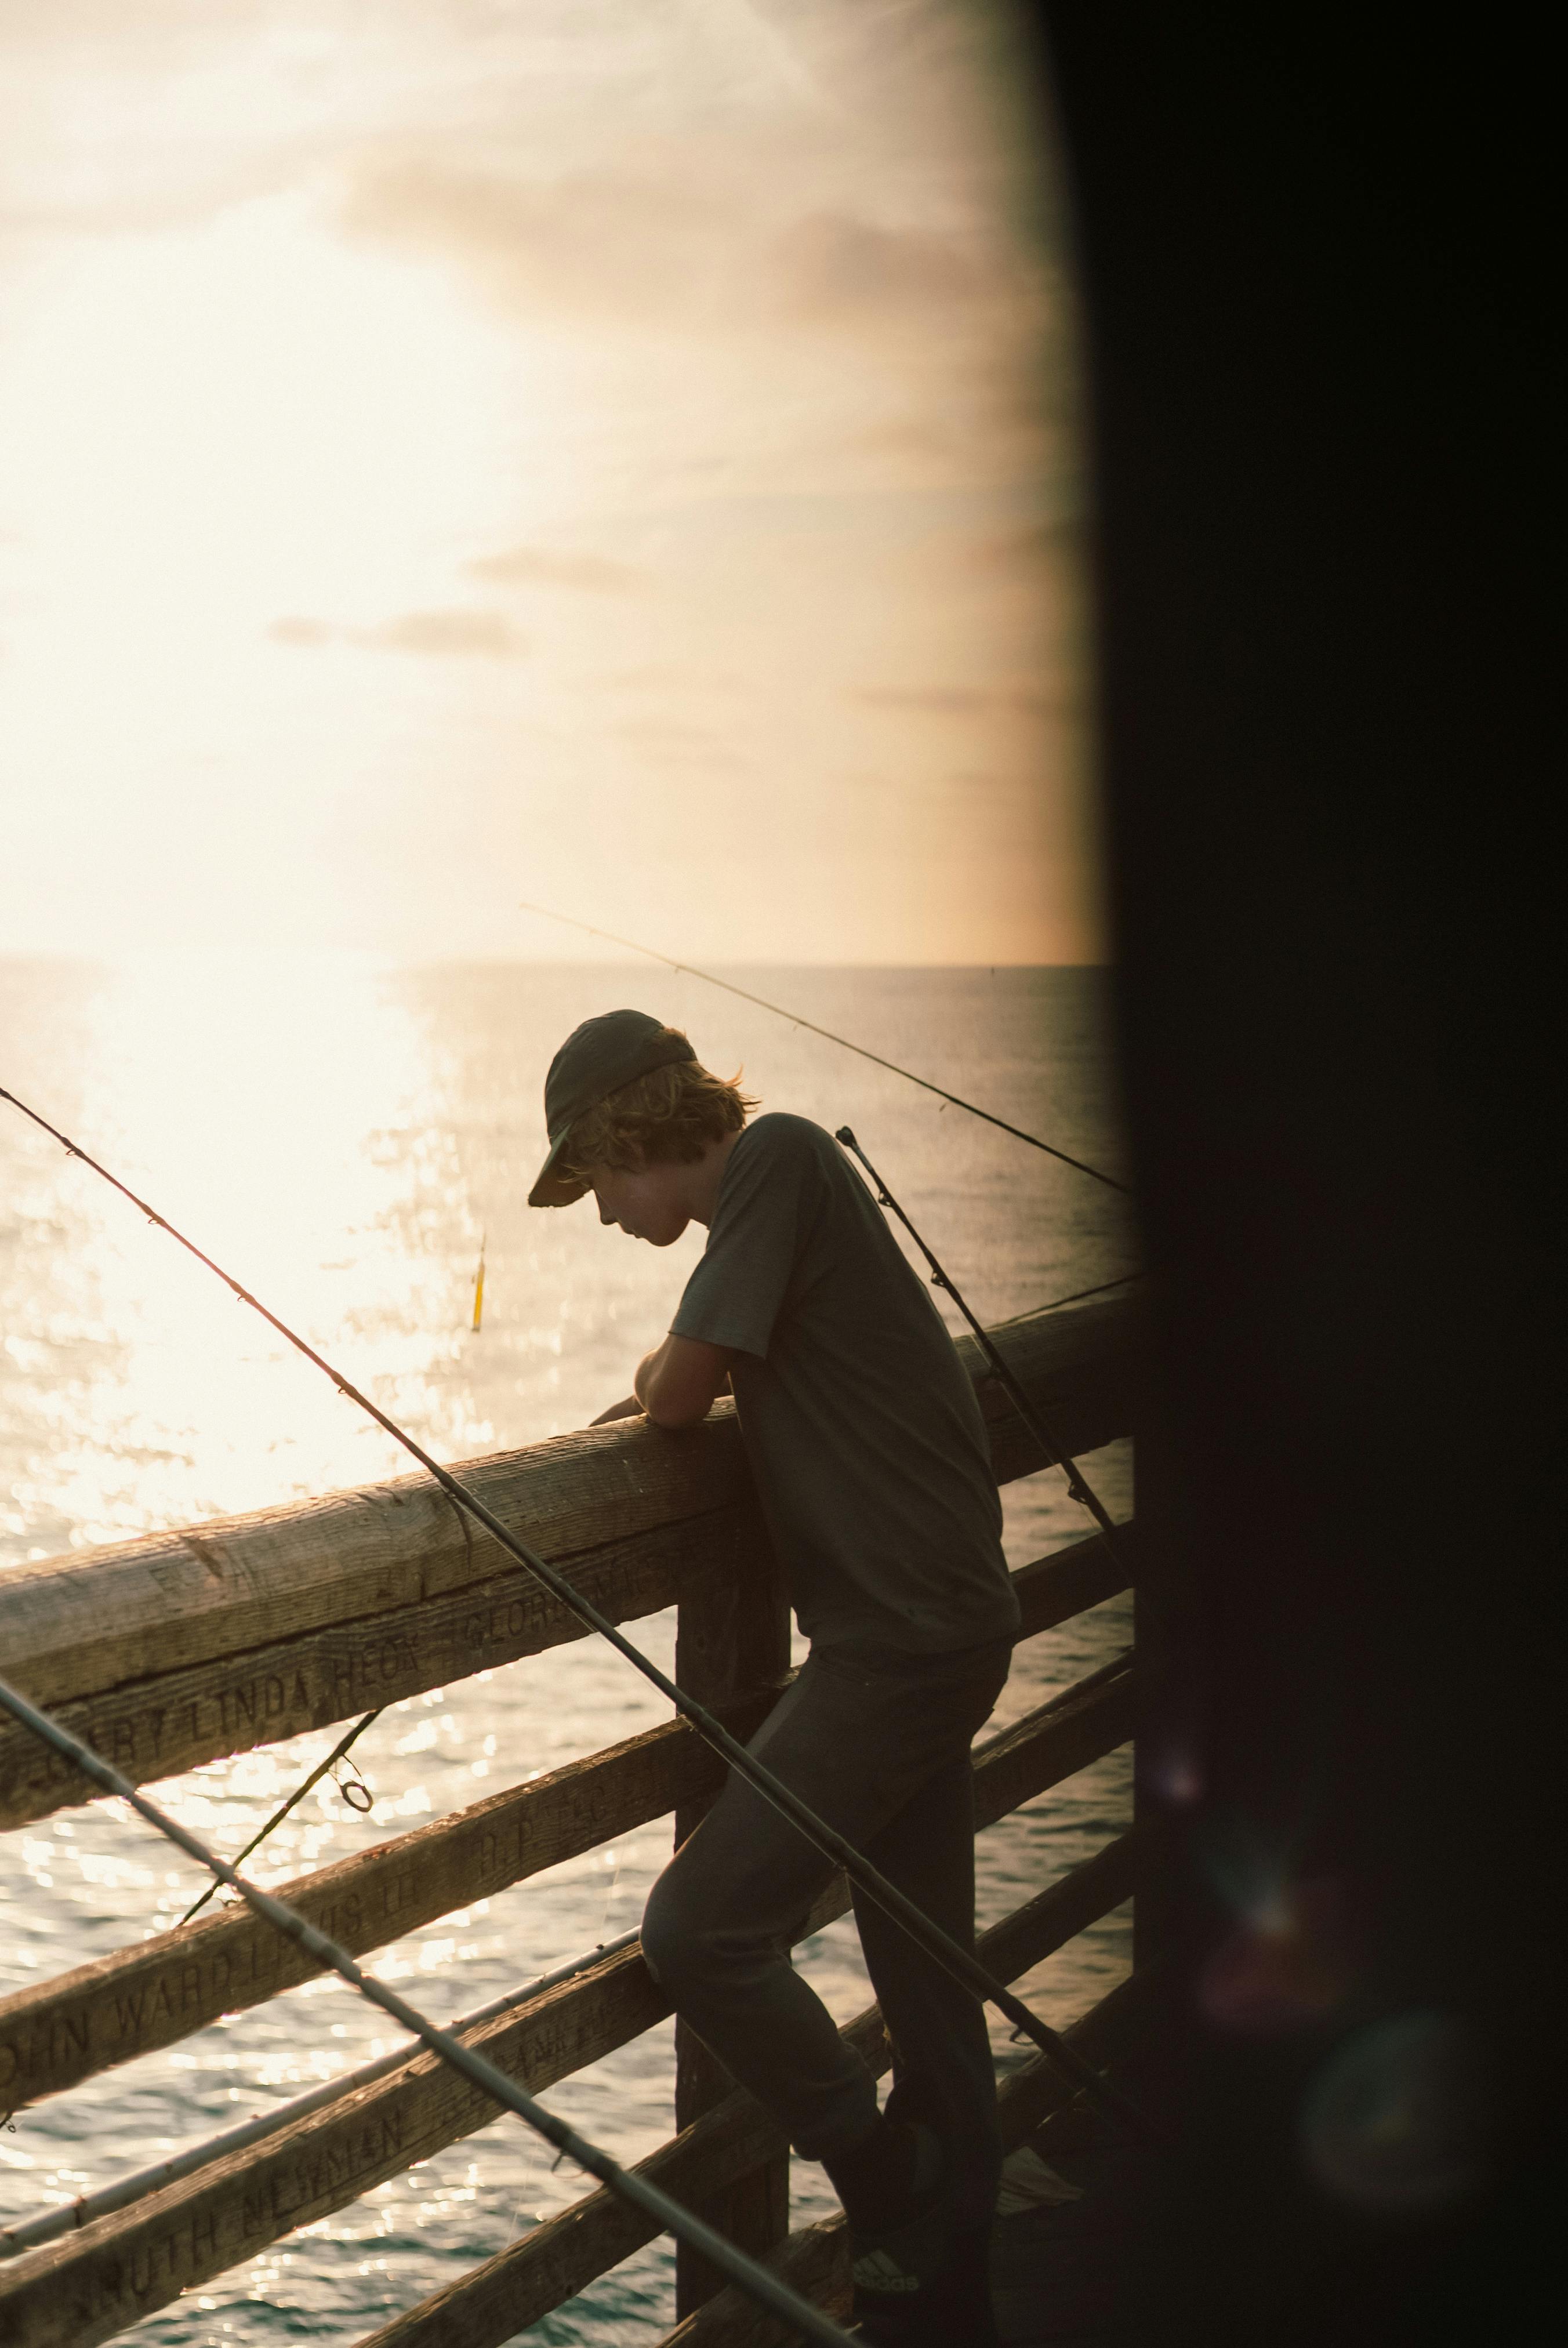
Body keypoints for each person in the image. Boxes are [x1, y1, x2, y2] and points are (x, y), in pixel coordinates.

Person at [528, 1007, 1020, 2343]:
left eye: (594, 1183)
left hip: (903, 1641)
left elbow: (680, 1394)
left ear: (632, 1136)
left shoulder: (778, 1162)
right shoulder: (778, 1195)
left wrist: (650, 1373)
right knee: (922, 1970)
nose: (599, 1215)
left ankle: (879, 2181)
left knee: (700, 1928)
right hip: (927, 1626)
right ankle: (949, 2280)